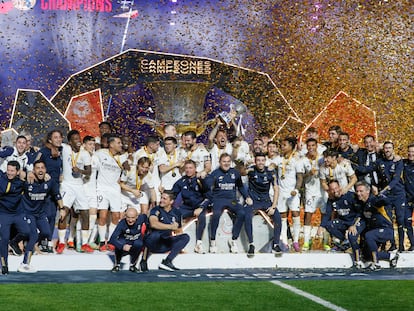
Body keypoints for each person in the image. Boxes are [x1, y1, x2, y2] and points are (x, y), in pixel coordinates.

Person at [16, 160, 65, 273]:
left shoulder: (50, 182)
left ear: (46, 170)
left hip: (40, 213)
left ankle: (23, 243)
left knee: (46, 233)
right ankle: (25, 263)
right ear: (34, 170)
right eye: (37, 168)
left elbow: (57, 195)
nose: (40, 170)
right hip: (27, 212)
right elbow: (19, 174)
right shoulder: (28, 181)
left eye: (42, 168)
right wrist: (27, 173)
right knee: (33, 235)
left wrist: (62, 209)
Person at [205, 153, 251, 253]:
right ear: (220, 162)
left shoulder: (235, 173)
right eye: (224, 161)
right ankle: (213, 241)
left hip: (232, 200)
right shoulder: (215, 173)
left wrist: (246, 197)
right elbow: (208, 188)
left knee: (242, 213)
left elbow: (241, 187)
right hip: (218, 199)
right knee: (216, 214)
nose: (226, 164)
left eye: (228, 162)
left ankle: (233, 239)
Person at [56, 130, 93, 254]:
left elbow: (89, 171)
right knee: (64, 212)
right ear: (70, 141)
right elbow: (54, 143)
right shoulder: (65, 149)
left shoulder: (85, 154)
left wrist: (80, 171)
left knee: (85, 213)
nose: (78, 141)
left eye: (79, 138)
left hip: (79, 186)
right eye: (75, 139)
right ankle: (61, 242)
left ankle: (85, 244)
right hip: (66, 185)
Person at [30, 129, 63, 253]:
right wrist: (42, 175)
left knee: (52, 216)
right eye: (55, 137)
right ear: (50, 140)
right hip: (43, 188)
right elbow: (34, 164)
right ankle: (37, 241)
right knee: (44, 216)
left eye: (60, 137)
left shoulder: (61, 151)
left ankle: (47, 240)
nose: (58, 139)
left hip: (55, 188)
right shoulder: (43, 151)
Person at [244, 153, 282, 257]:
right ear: (255, 162)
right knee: (247, 216)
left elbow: (276, 189)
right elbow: (241, 173)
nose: (260, 163)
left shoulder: (271, 172)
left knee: (278, 217)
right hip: (253, 200)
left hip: (266, 201)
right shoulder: (251, 170)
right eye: (258, 160)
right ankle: (251, 244)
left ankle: (276, 244)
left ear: (265, 161)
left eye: (262, 160)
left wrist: (273, 206)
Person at [371, 141, 407, 251]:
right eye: (386, 148)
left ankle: (401, 245)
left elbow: (396, 179)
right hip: (386, 196)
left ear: (393, 149)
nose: (387, 150)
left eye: (389, 148)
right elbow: (372, 173)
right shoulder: (379, 162)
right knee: (388, 221)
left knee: (400, 220)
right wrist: (374, 186)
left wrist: (385, 190)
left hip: (398, 194)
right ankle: (392, 244)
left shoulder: (398, 161)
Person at [354, 181, 399, 270]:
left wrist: (378, 194)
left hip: (386, 229)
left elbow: (386, 201)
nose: (358, 193)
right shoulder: (362, 204)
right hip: (375, 231)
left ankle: (376, 263)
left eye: (361, 191)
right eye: (357, 191)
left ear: (368, 191)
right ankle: (391, 256)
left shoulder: (374, 200)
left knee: (369, 235)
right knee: (366, 254)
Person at [319, 180, 364, 265]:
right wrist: (321, 226)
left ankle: (358, 256)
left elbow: (359, 212)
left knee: (351, 235)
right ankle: (346, 242)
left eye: (336, 188)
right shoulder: (331, 199)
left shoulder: (350, 196)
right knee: (329, 224)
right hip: (343, 222)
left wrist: (353, 225)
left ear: (340, 187)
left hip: (355, 221)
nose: (335, 191)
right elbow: (327, 214)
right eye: (332, 189)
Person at [142, 190, 190, 271]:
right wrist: (171, 226)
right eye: (161, 198)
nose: (161, 200)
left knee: (185, 237)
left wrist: (180, 247)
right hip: (153, 243)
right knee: (155, 234)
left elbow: (178, 229)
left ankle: (167, 261)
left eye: (164, 199)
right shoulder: (155, 210)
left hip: (165, 243)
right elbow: (154, 224)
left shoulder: (176, 212)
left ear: (171, 201)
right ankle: (143, 261)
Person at [95, 134, 127, 251]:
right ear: (111, 144)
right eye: (118, 143)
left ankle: (112, 240)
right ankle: (102, 241)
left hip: (115, 190)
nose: (121, 145)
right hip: (102, 189)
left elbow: (125, 174)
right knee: (102, 215)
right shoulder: (100, 153)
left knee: (116, 216)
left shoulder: (123, 157)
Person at [172, 160, 209, 253]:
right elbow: (172, 194)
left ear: (195, 169)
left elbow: (209, 196)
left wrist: (201, 207)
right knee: (175, 215)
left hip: (199, 205)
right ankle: (178, 243)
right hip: (187, 207)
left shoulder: (201, 179)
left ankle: (199, 244)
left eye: (190, 168)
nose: (188, 170)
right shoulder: (181, 181)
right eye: (186, 168)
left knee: (202, 216)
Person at [0, 161, 30, 275]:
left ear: (17, 172)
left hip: (17, 213)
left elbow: (30, 184)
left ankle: (14, 242)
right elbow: (4, 190)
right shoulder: (2, 180)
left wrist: (27, 176)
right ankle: (4, 264)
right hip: (4, 213)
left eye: (12, 171)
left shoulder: (21, 182)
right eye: (8, 170)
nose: (9, 173)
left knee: (26, 232)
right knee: (4, 238)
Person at [274, 137, 304, 252]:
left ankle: (295, 241)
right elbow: (271, 165)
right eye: (281, 145)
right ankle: (285, 242)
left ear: (291, 146)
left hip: (292, 193)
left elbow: (300, 177)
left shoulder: (297, 160)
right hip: (281, 193)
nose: (282, 147)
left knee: (296, 214)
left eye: (284, 145)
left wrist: (296, 190)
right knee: (283, 217)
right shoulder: (278, 159)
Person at [301, 138, 328, 251]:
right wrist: (308, 174)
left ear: (317, 146)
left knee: (325, 214)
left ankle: (326, 241)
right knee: (308, 214)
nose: (311, 148)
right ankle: (307, 241)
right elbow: (300, 177)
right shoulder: (303, 160)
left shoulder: (322, 158)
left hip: (322, 190)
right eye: (309, 146)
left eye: (313, 145)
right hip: (310, 190)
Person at [109, 208, 148, 273]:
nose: (130, 220)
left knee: (139, 243)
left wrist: (148, 229)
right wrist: (122, 246)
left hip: (136, 240)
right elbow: (112, 239)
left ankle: (133, 265)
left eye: (133, 218)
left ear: (137, 217)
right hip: (125, 241)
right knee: (119, 242)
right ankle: (117, 265)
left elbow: (146, 218)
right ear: (125, 216)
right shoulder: (122, 223)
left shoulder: (141, 218)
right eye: (128, 217)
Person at [403, 143, 414, 251]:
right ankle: (413, 244)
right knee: (407, 222)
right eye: (409, 151)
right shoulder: (404, 163)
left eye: (413, 152)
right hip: (407, 198)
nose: (411, 154)